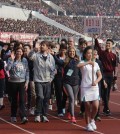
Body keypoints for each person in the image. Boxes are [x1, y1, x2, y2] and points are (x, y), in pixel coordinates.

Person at [29, 41, 56, 123]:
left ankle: (44, 115)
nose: (41, 46)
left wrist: (51, 78)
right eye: (41, 45)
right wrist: (33, 50)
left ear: (48, 47)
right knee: (40, 96)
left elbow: (53, 69)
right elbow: (29, 56)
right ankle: (37, 114)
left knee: (46, 99)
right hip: (38, 80)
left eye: (43, 45)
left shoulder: (51, 57)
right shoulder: (36, 55)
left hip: (47, 81)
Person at [77, 46, 102, 131]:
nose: (90, 55)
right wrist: (88, 63)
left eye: (91, 53)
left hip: (94, 87)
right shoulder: (83, 62)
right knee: (87, 107)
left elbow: (100, 75)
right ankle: (87, 125)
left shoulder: (96, 64)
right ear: (85, 54)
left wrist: (96, 81)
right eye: (88, 53)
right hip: (85, 87)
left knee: (95, 106)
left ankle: (92, 120)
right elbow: (78, 65)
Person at [94, 36, 118, 115]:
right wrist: (96, 38)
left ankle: (105, 108)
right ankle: (107, 109)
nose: (107, 44)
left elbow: (115, 67)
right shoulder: (102, 53)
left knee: (107, 93)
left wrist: (115, 78)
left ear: (112, 45)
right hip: (103, 74)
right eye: (107, 43)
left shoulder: (114, 56)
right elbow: (97, 46)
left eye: (109, 43)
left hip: (110, 75)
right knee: (104, 92)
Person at [6, 47, 29, 124]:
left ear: (22, 53)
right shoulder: (10, 59)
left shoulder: (24, 60)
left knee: (22, 100)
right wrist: (11, 60)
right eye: (17, 51)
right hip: (13, 82)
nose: (19, 53)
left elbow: (27, 71)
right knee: (14, 100)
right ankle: (13, 115)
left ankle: (23, 116)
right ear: (15, 52)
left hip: (22, 82)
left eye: (20, 52)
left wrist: (27, 82)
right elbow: (7, 69)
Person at [63, 47, 81, 123]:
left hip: (76, 82)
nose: (72, 53)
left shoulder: (78, 61)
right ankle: (73, 116)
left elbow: (80, 72)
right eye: (70, 51)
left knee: (73, 99)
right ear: (68, 52)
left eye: (73, 51)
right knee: (72, 98)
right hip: (67, 82)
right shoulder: (65, 61)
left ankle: (69, 111)